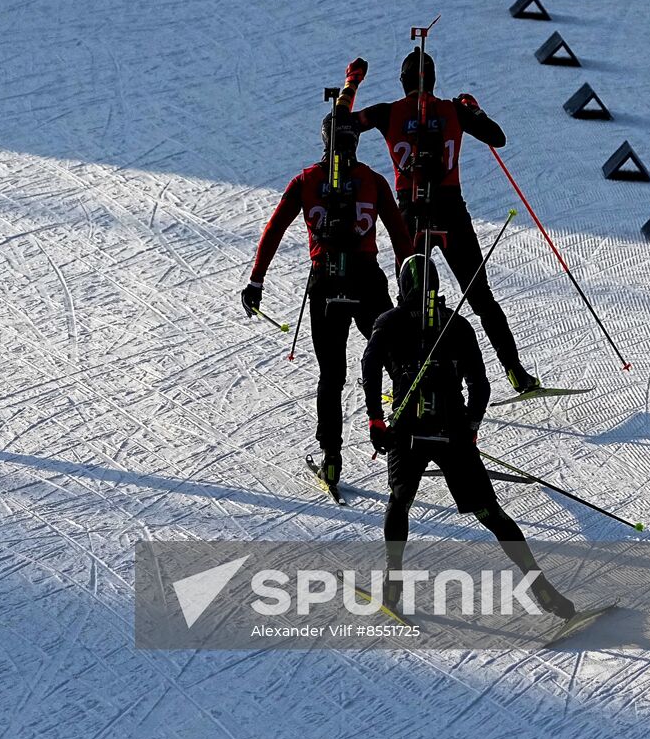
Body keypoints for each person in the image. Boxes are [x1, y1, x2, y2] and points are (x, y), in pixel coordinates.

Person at [361, 253, 573, 618]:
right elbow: (480, 386)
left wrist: (376, 419)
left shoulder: (389, 321)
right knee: (491, 513)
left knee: (400, 499)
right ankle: (542, 588)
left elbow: (369, 364)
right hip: (453, 431)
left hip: (408, 430)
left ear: (403, 286)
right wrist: (471, 427)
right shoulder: (457, 325)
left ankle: (392, 581)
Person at [242, 87, 413, 492]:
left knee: (331, 376)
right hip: (367, 279)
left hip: (325, 283)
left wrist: (256, 279)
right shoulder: (371, 180)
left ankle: (332, 459)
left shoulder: (306, 180)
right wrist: (412, 287)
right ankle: (408, 440)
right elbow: (401, 236)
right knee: (395, 361)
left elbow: (275, 228)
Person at [348, 52, 541, 393]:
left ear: (403, 82)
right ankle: (515, 372)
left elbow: (341, 126)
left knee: (409, 302)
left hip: (409, 213)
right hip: (451, 211)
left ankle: (405, 378)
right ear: (433, 80)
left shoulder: (387, 112)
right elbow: (497, 137)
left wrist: (352, 85)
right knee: (481, 297)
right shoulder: (454, 109)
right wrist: (473, 108)